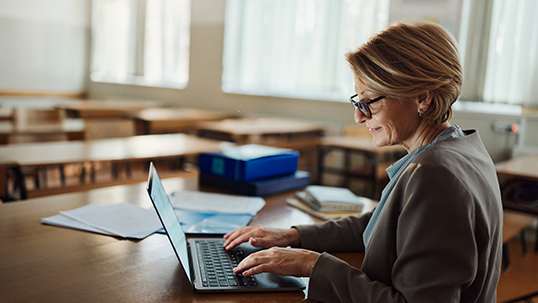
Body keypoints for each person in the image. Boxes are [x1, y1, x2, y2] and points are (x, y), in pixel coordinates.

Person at [223, 20, 503, 303]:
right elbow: (384, 224)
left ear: (422, 97)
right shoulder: (462, 147)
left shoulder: (433, 173)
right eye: (358, 102)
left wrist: (312, 265)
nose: (359, 117)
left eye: (369, 102)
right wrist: (294, 236)